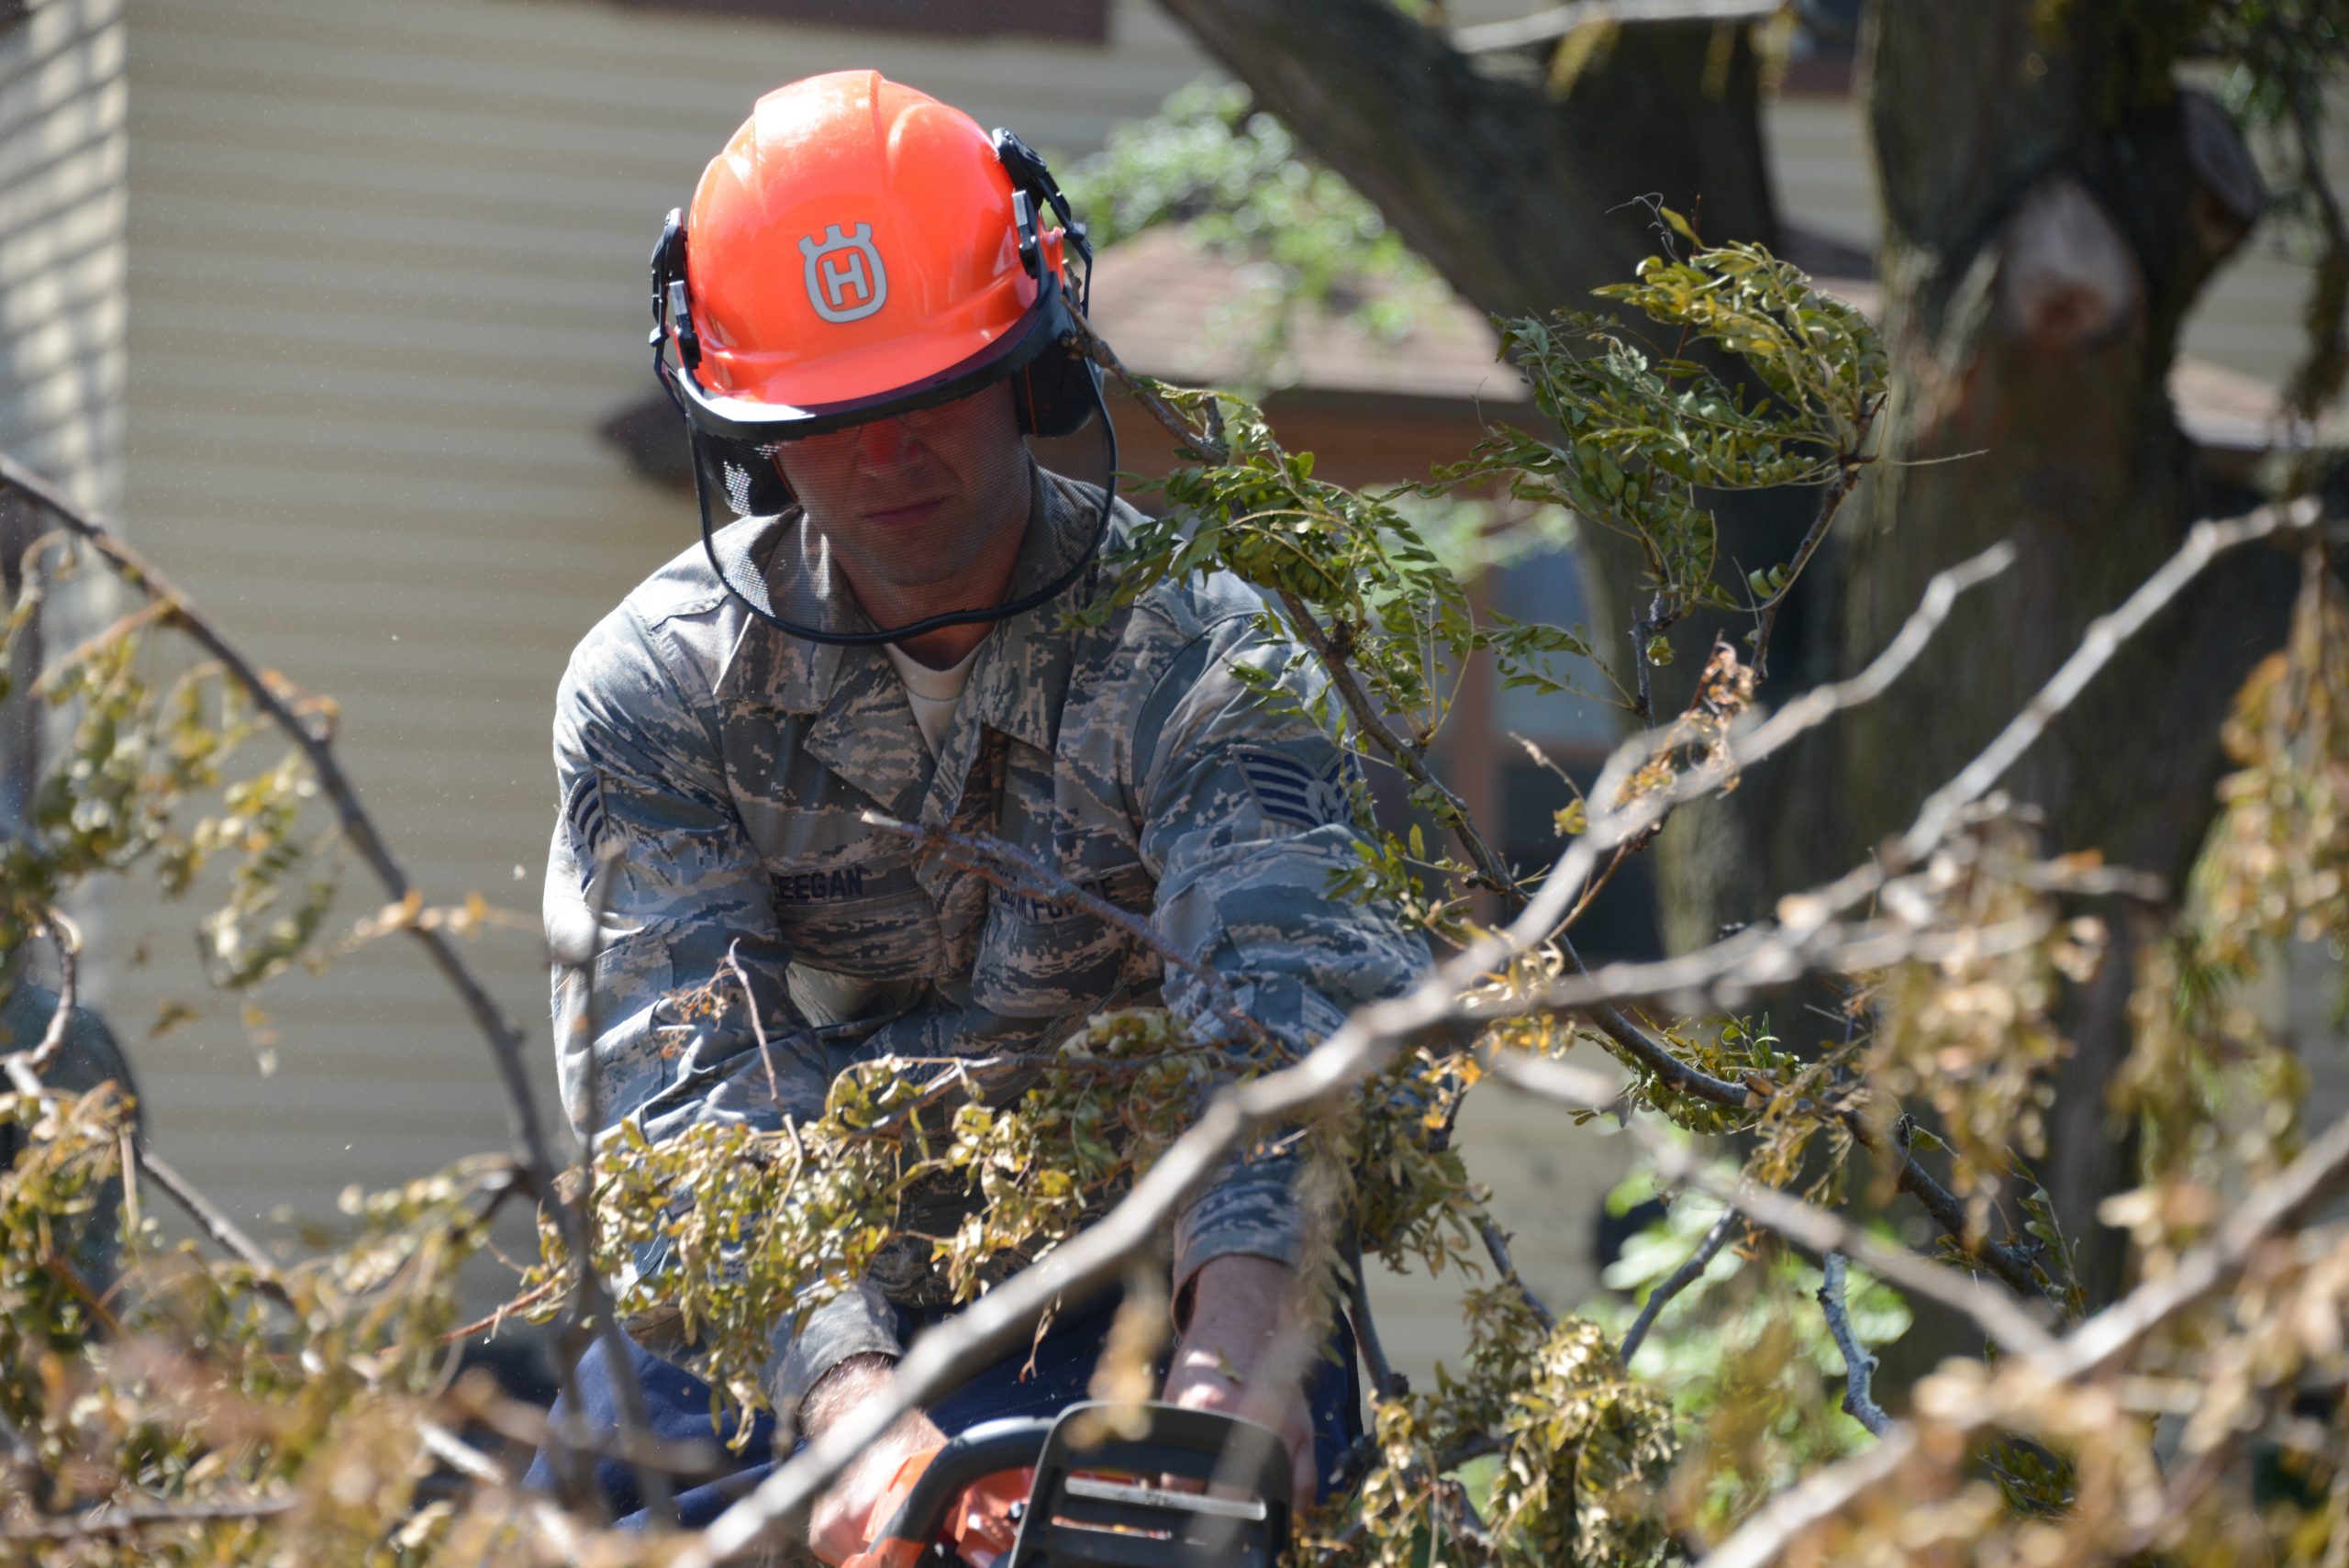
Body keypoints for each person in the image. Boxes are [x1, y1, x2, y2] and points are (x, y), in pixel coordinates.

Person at [531, 71, 1423, 1554]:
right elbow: (683, 1110)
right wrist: (856, 1414)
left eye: (934, 390)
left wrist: (1231, 1368)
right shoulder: (657, 691)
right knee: (604, 1480)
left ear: (1036, 363)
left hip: (1152, 1270)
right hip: (805, 1288)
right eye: (833, 414)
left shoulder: (1200, 651)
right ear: (749, 432)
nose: (890, 456)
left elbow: (1291, 1029)